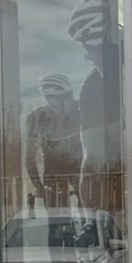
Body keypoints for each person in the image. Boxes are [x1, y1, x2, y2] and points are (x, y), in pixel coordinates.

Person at [67, 0, 124, 214]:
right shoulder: (91, 91)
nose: (88, 57)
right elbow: (92, 158)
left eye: (88, 49)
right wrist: (91, 214)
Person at [25, 74, 81, 209]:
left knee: (88, 211)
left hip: (79, 169)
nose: (69, 101)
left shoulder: (79, 110)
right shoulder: (37, 118)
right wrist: (38, 185)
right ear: (48, 98)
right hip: (54, 173)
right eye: (64, 97)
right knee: (57, 216)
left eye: (70, 96)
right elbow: (29, 158)